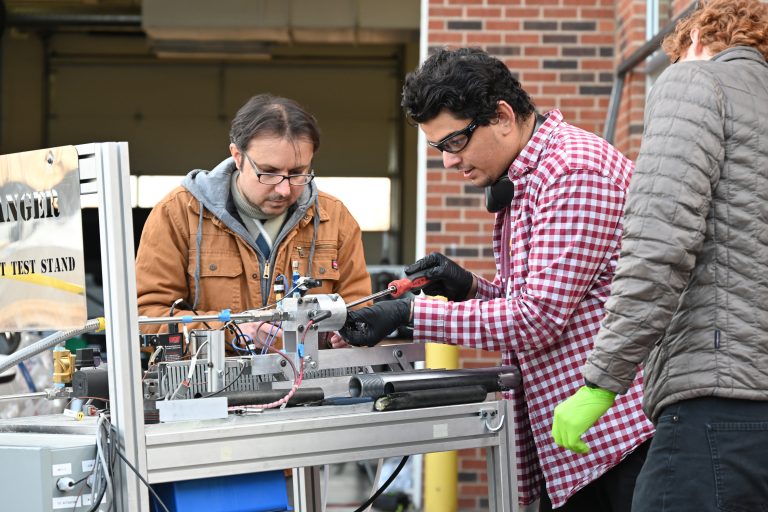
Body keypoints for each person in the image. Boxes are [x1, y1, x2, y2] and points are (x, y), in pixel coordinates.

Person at [340, 47, 654, 510]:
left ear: (503, 116)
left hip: (616, 442)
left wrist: (411, 314)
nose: (448, 161)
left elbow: (537, 319)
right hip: (578, 442)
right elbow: (549, 301)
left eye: (454, 142)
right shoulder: (529, 176)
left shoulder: (572, 172)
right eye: (438, 148)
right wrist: (468, 289)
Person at [552, 1, 768, 510]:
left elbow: (657, 249)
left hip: (715, 409)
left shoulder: (697, 82)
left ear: (694, 41)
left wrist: (601, 384)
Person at [136, 93, 371, 349]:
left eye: (297, 173)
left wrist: (348, 332)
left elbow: (360, 310)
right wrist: (233, 332)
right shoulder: (179, 214)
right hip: (208, 386)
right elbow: (145, 319)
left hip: (314, 385)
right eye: (268, 173)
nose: (284, 190)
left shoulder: (335, 219)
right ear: (237, 156)